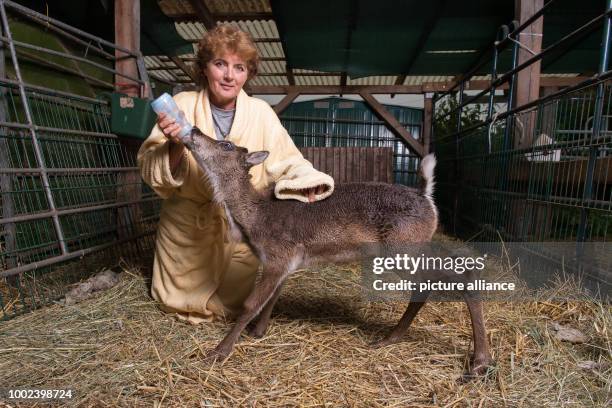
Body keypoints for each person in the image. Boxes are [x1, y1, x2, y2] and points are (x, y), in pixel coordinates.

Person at [137, 24, 334, 325]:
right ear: (204, 68)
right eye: (220, 64)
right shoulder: (183, 106)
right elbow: (152, 172)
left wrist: (307, 183)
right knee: (172, 305)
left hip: (238, 235)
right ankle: (179, 295)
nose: (230, 76)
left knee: (231, 309)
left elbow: (289, 160)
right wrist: (176, 146)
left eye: (239, 67)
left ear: (247, 73)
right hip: (188, 238)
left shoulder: (261, 114)